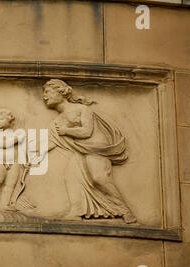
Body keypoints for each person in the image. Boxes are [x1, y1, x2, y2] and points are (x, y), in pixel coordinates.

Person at [42, 79, 137, 224]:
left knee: (99, 179)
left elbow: (87, 131)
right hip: (80, 152)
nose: (44, 96)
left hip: (96, 149)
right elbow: (52, 142)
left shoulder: (81, 109)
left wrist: (67, 130)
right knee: (71, 177)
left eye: (47, 91)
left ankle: (125, 211)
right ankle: (76, 211)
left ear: (60, 92)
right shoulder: (57, 121)